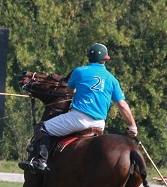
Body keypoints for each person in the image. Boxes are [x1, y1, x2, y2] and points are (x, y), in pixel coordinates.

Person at [19, 43, 137, 173]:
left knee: (42, 127)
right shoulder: (112, 79)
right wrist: (132, 126)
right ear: (105, 59)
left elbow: (69, 91)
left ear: (89, 58)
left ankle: (40, 161)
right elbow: (122, 105)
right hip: (99, 124)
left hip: (79, 119)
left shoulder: (79, 71)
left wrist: (78, 92)